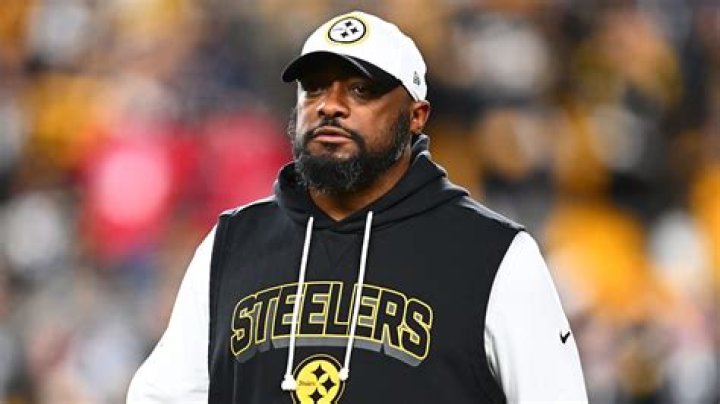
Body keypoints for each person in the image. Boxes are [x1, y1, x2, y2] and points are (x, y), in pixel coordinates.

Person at [127, 10, 587, 403]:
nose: (331, 106)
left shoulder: (493, 254)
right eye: (314, 88)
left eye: (361, 90)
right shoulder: (232, 243)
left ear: (416, 115)